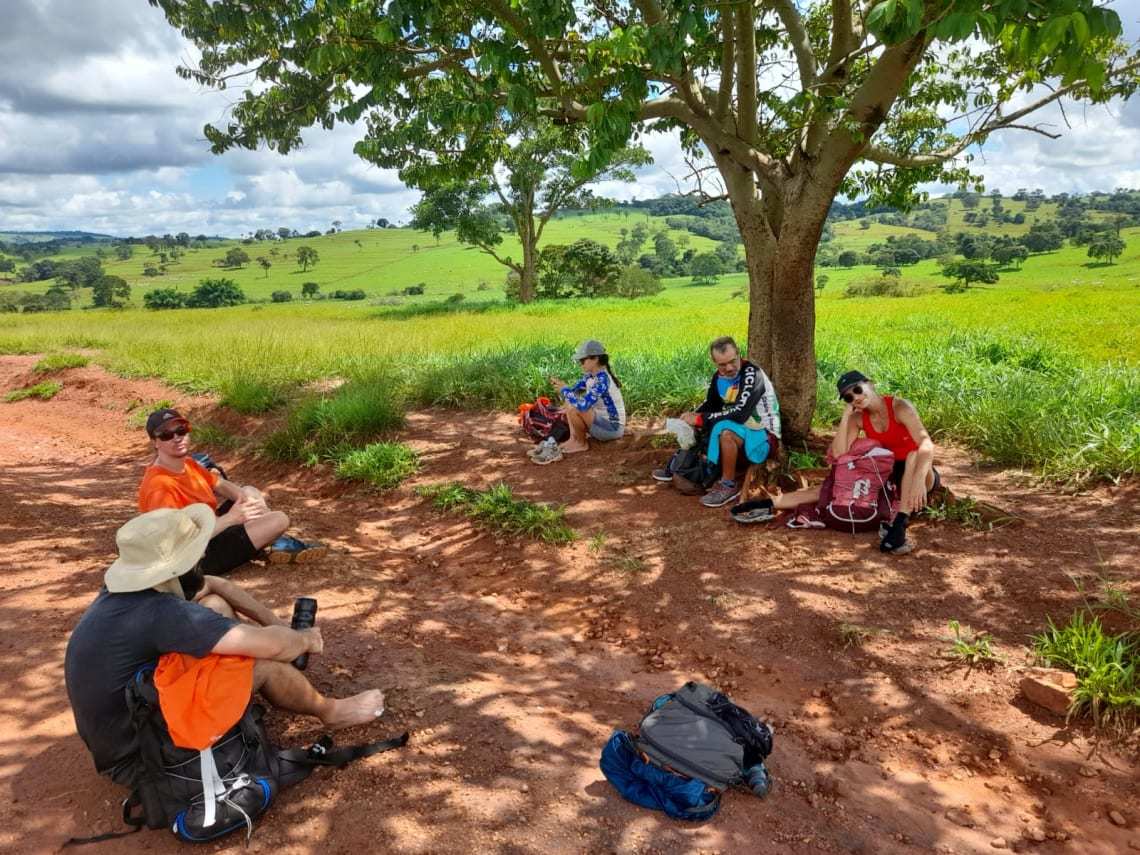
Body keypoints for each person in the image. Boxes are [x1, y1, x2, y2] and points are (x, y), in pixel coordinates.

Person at [64, 505, 386, 787]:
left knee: (216, 605)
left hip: (119, 736)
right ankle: (330, 711)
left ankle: (258, 697)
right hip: (144, 758)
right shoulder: (163, 613)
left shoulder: (128, 594)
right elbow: (270, 648)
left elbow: (214, 584)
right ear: (175, 569)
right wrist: (302, 639)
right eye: (195, 556)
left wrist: (275, 623)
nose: (202, 556)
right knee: (258, 662)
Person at [762, 370, 939, 554]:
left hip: (920, 470)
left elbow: (926, 443)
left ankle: (899, 527)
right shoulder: (858, 418)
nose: (855, 397)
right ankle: (764, 505)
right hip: (888, 477)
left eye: (857, 389)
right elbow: (839, 454)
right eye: (848, 397)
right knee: (828, 491)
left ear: (870, 383)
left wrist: (919, 479)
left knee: (912, 455)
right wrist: (847, 414)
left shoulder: (900, 407)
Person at [138, 407, 323, 573]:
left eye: (181, 430)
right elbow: (177, 543)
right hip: (197, 555)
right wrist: (231, 519)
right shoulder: (159, 486)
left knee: (249, 491)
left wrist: (248, 501)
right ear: (155, 442)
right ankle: (271, 541)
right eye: (166, 435)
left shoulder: (187, 463)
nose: (177, 438)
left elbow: (221, 485)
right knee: (279, 519)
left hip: (214, 527)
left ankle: (270, 542)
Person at [653, 336, 781, 508]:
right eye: (722, 365)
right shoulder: (718, 378)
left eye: (732, 361)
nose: (728, 368)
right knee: (700, 422)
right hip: (742, 430)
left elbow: (740, 413)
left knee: (724, 431)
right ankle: (678, 467)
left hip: (764, 435)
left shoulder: (752, 373)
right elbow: (711, 405)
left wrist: (701, 418)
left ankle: (728, 485)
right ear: (715, 363)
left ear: (739, 355)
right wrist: (692, 417)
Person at [531, 339, 626, 464]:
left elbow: (582, 406)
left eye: (583, 360)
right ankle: (573, 439)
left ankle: (581, 443)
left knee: (576, 407)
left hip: (612, 429)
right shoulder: (590, 376)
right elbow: (572, 393)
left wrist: (565, 390)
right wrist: (563, 388)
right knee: (570, 403)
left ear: (595, 359)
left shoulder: (602, 380)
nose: (580, 364)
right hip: (601, 423)